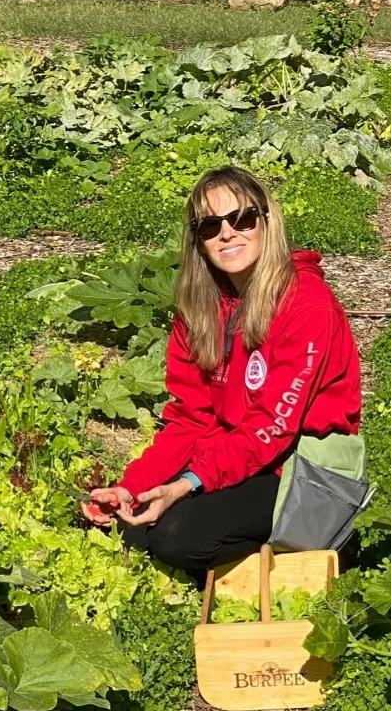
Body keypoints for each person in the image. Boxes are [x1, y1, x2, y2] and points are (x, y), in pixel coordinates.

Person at [81, 165, 361, 572]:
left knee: (175, 537)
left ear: (267, 221)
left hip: (300, 464)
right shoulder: (200, 308)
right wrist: (132, 487)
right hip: (233, 451)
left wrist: (186, 484)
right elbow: (189, 418)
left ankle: (314, 541)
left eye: (242, 218)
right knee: (134, 523)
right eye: (210, 226)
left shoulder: (307, 305)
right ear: (198, 240)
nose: (227, 233)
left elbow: (273, 427)